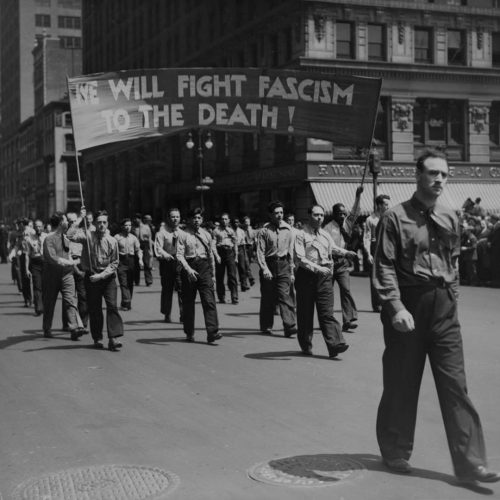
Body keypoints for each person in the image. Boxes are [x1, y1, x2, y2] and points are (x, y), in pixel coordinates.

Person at [373, 149, 500, 485]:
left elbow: (453, 260)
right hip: (408, 304)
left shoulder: (450, 215)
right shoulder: (394, 217)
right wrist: (395, 306)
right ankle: (395, 449)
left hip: (443, 306)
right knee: (402, 381)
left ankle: (471, 463)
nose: (439, 179)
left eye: (444, 174)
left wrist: (452, 297)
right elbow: (384, 265)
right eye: (433, 173)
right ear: (418, 175)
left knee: (455, 384)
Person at [294, 204, 349, 358]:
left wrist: (346, 253)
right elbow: (300, 259)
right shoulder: (301, 234)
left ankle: (335, 344)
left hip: (324, 277)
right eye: (316, 215)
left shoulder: (325, 234)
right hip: (306, 276)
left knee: (327, 312)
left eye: (322, 215)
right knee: (305, 314)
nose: (319, 218)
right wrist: (318, 268)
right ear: (309, 215)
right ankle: (306, 344)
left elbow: (333, 248)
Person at [68, 209, 124, 351]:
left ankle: (113, 338)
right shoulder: (88, 235)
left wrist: (102, 275)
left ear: (107, 224)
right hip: (92, 277)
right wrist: (80, 218)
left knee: (112, 306)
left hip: (107, 277)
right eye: (99, 222)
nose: (102, 225)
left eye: (104, 222)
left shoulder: (112, 240)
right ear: (94, 223)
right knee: (95, 309)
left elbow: (114, 263)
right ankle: (97, 338)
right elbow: (69, 235)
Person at [176, 207, 221, 344]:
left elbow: (210, 255)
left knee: (209, 300)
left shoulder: (206, 234)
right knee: (188, 302)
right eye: (194, 218)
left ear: (202, 219)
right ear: (189, 220)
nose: (196, 220)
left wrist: (213, 275)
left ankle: (212, 332)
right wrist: (188, 270)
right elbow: (179, 255)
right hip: (189, 267)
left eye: (199, 218)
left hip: (204, 267)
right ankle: (189, 332)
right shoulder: (182, 235)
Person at [323, 186, 363, 331]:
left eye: (344, 213)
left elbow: (355, 212)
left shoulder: (347, 223)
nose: (342, 216)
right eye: (339, 214)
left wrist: (358, 196)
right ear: (333, 214)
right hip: (329, 262)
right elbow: (329, 247)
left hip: (342, 263)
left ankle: (348, 320)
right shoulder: (327, 228)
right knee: (327, 293)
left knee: (346, 290)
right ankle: (326, 320)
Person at [41, 212, 85, 340]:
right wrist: (70, 262)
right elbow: (52, 258)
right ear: (61, 223)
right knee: (49, 303)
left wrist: (81, 216)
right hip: (51, 277)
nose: (68, 223)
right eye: (66, 220)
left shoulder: (65, 236)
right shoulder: (49, 239)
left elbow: (68, 252)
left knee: (70, 301)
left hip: (67, 275)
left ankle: (74, 328)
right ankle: (47, 328)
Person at [256, 201, 297, 337]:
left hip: (284, 265)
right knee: (268, 297)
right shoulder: (264, 231)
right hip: (269, 264)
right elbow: (260, 252)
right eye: (276, 213)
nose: (279, 215)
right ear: (270, 215)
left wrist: (291, 271)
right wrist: (264, 269)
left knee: (285, 295)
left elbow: (290, 252)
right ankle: (266, 326)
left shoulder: (288, 230)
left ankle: (289, 326)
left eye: (281, 212)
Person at [154, 208, 183, 323]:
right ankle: (167, 313)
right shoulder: (162, 233)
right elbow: (158, 248)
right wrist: (166, 255)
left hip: (180, 262)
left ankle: (183, 313)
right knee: (167, 289)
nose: (175, 219)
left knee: (182, 288)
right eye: (173, 217)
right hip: (167, 263)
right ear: (168, 218)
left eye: (177, 217)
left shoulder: (182, 233)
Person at [363, 194, 391, 312]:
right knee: (375, 278)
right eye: (386, 204)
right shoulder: (370, 220)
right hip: (375, 249)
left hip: (388, 250)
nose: (388, 206)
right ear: (379, 205)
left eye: (388, 204)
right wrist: (368, 253)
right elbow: (367, 237)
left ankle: (387, 302)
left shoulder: (390, 218)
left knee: (388, 277)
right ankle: (377, 304)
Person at [115, 218, 143, 311]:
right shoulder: (117, 237)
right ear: (122, 226)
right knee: (123, 283)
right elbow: (113, 250)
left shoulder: (133, 238)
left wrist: (140, 260)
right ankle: (126, 301)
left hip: (131, 261)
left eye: (129, 225)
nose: (128, 227)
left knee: (130, 283)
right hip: (121, 261)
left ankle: (126, 302)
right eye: (126, 225)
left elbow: (138, 250)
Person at [213, 212, 239, 304]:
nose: (224, 221)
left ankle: (234, 297)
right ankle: (221, 296)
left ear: (229, 220)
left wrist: (236, 256)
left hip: (230, 253)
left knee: (232, 276)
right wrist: (216, 256)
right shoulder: (216, 231)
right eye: (222, 219)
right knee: (220, 276)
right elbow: (213, 245)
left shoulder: (231, 231)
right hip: (220, 252)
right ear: (220, 220)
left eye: (226, 219)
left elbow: (235, 243)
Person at [25, 219, 47, 316]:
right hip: (35, 264)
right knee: (37, 285)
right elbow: (27, 255)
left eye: (39, 226)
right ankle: (38, 307)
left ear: (43, 227)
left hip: (46, 263)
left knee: (45, 286)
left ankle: (45, 305)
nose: (38, 228)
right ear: (34, 227)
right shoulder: (29, 239)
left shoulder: (47, 237)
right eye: (36, 226)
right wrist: (26, 269)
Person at [132, 213, 153, 286]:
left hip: (145, 244)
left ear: (140, 219)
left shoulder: (146, 227)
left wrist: (150, 249)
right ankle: (136, 280)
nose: (135, 220)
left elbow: (149, 238)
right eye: (134, 219)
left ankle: (148, 280)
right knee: (136, 263)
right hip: (136, 245)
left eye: (136, 218)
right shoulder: (133, 228)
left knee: (146, 263)